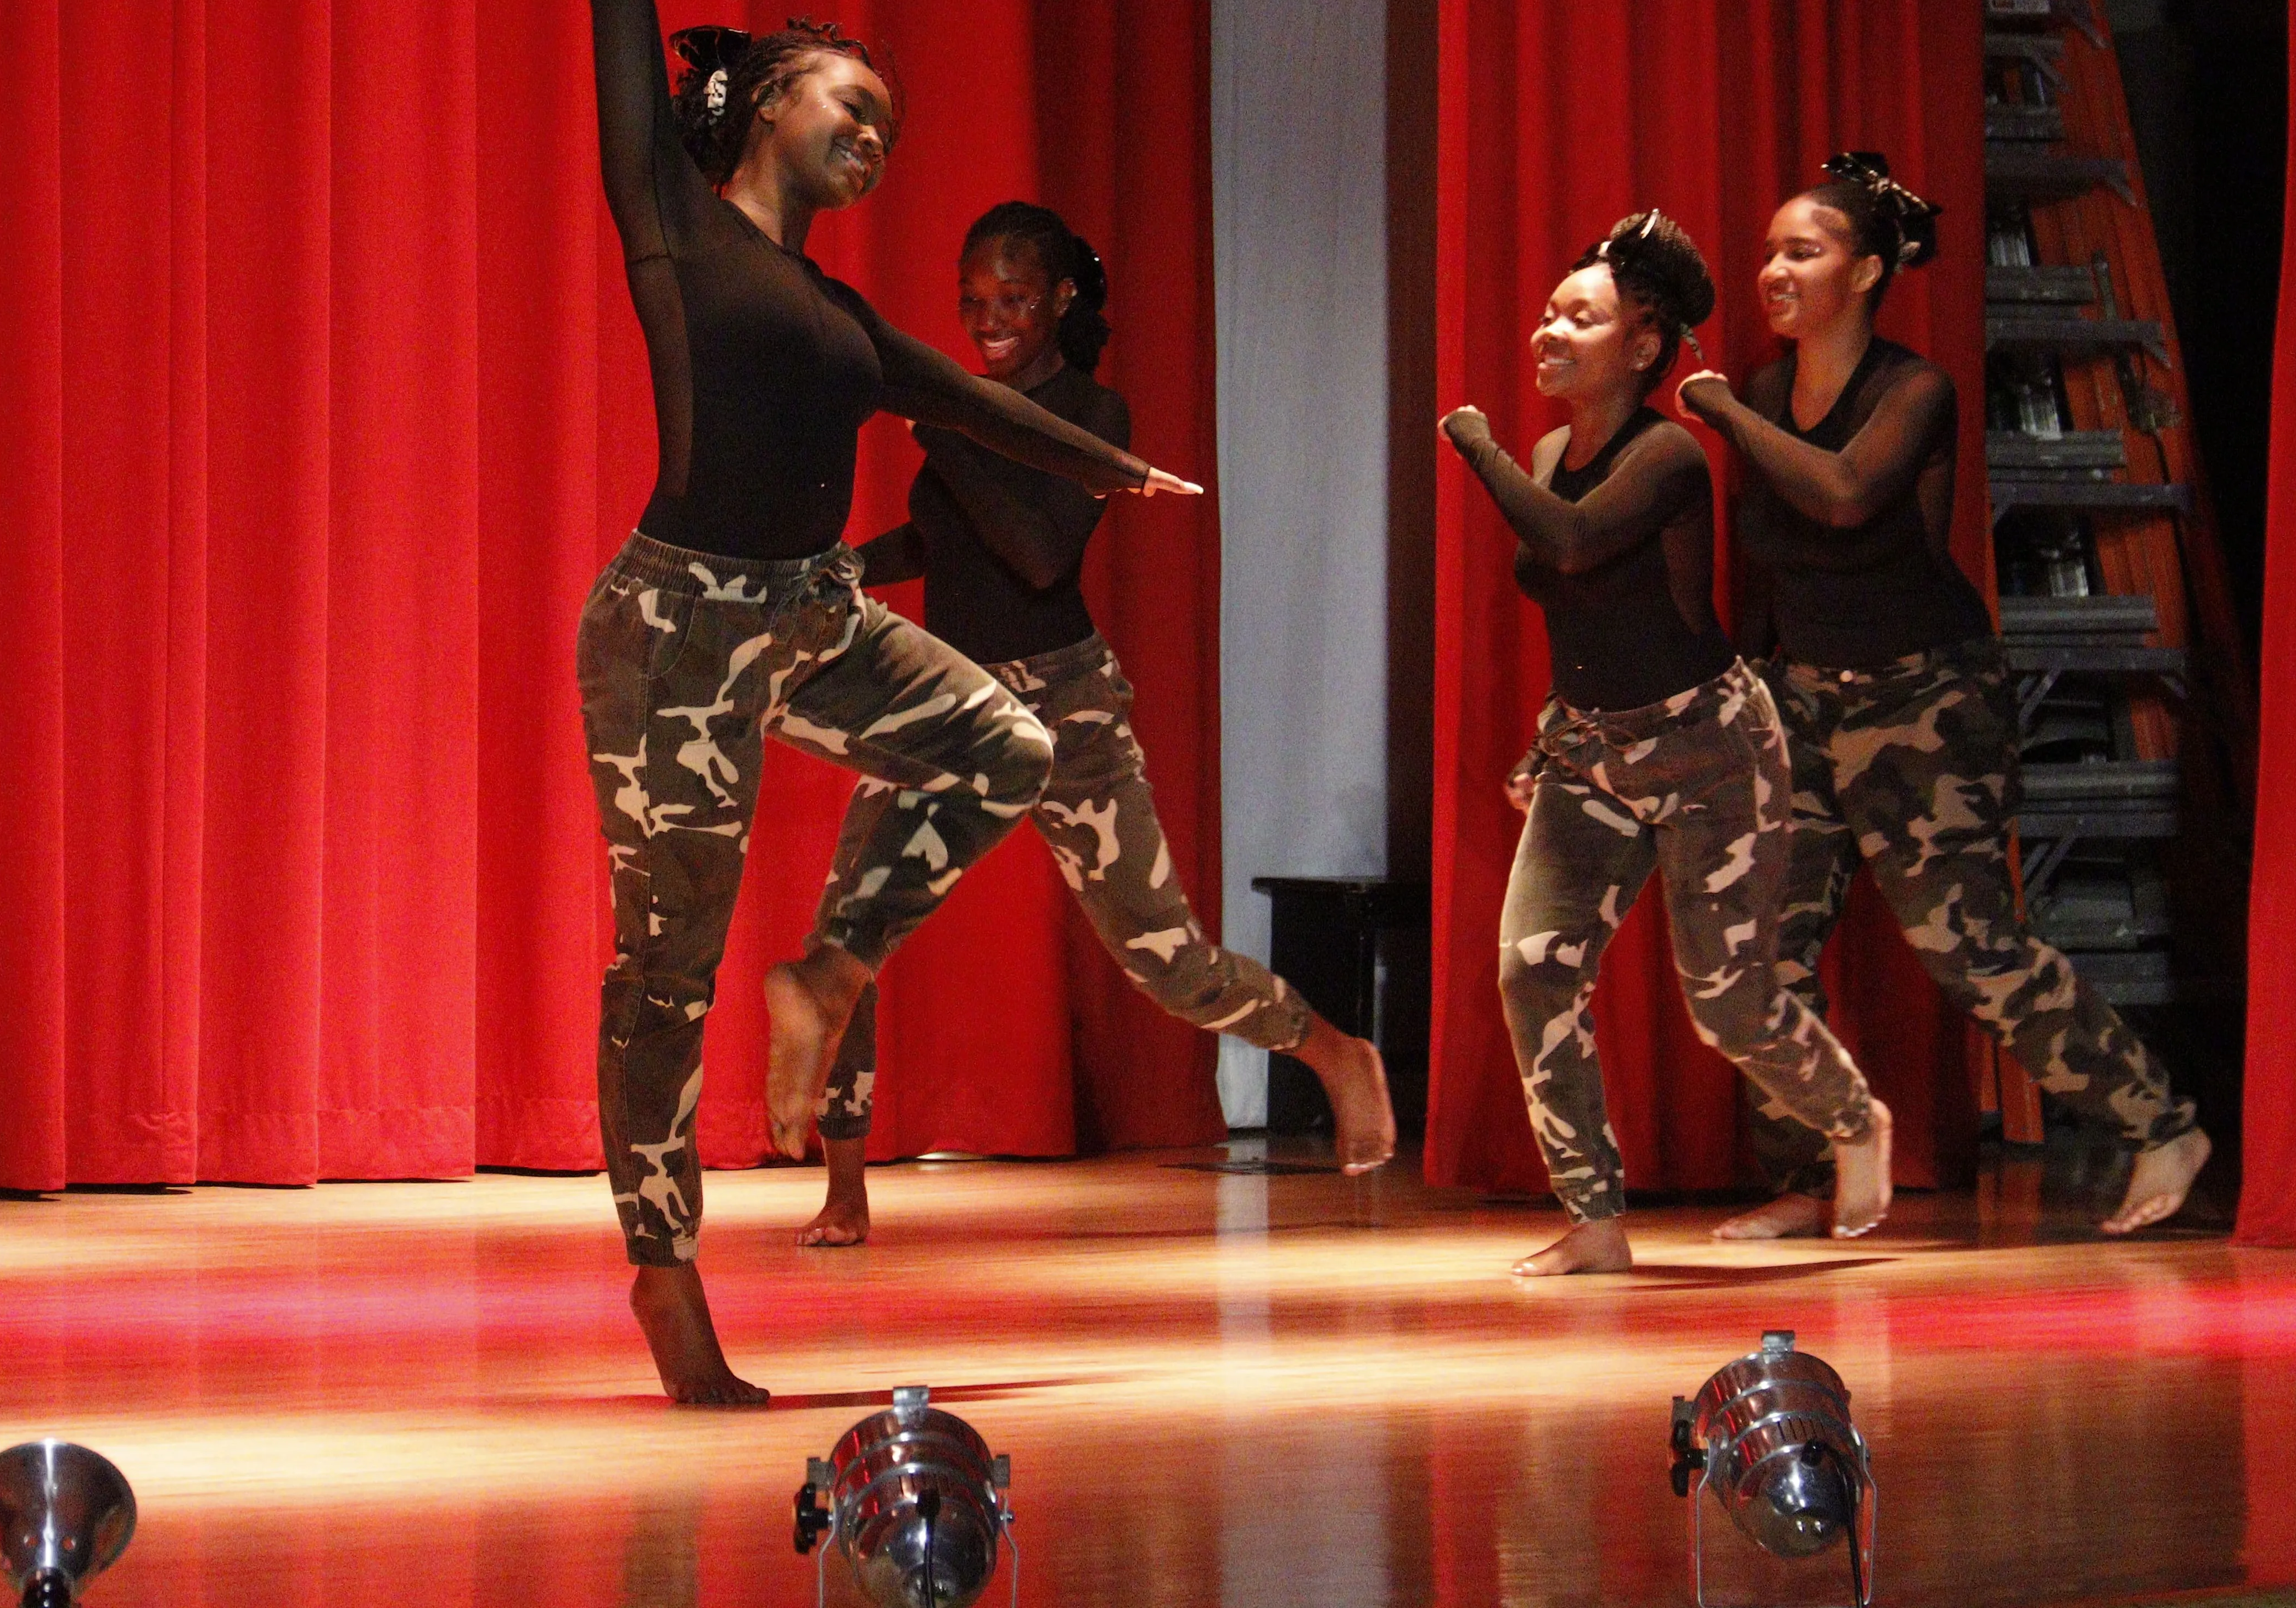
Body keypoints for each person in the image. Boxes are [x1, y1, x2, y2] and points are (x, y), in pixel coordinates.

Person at [552, 0, 1197, 1404]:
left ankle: (829, 974)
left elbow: (956, 396)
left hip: (812, 612)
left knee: (1002, 741)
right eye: (857, 106)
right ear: (770, 101)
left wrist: (1106, 471)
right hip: (677, 626)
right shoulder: (677, 223)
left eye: (892, 128)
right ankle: (667, 1275)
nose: (880, 137)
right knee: (664, 954)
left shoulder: (839, 318)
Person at [799, 202, 1393, 1246]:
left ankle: (1337, 1052)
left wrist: (948, 422)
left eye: (1014, 300)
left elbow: (1036, 553)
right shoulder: (969, 406)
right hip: (942, 701)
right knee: (846, 942)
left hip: (1063, 706)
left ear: (1062, 300)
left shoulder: (1092, 417)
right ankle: (844, 1189)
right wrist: (848, 564)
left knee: (1167, 960)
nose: (989, 319)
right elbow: (950, 533)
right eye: (973, 302)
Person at [1678, 154, 2211, 1240]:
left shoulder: (1912, 389)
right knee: (1763, 948)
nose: (1775, 269)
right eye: (1771, 251)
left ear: (1867, 270)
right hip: (1803, 695)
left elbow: (1841, 495)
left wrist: (1727, 415)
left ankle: (2162, 1123)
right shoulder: (1766, 393)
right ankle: (1802, 1173)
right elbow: (1774, 571)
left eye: (1804, 251)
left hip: (1925, 696)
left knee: (1972, 947)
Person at [1444, 211, 1894, 1275]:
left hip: (1710, 753)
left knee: (1728, 1003)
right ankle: (1596, 1219)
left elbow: (1570, 541)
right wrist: (1552, 736)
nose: (1549, 332)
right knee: (1532, 968)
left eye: (1580, 318)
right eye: (1550, 314)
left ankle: (1854, 1117)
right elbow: (1580, 615)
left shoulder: (1667, 457)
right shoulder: (1556, 448)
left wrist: (1474, 444)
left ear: (1643, 347)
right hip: (1592, 752)